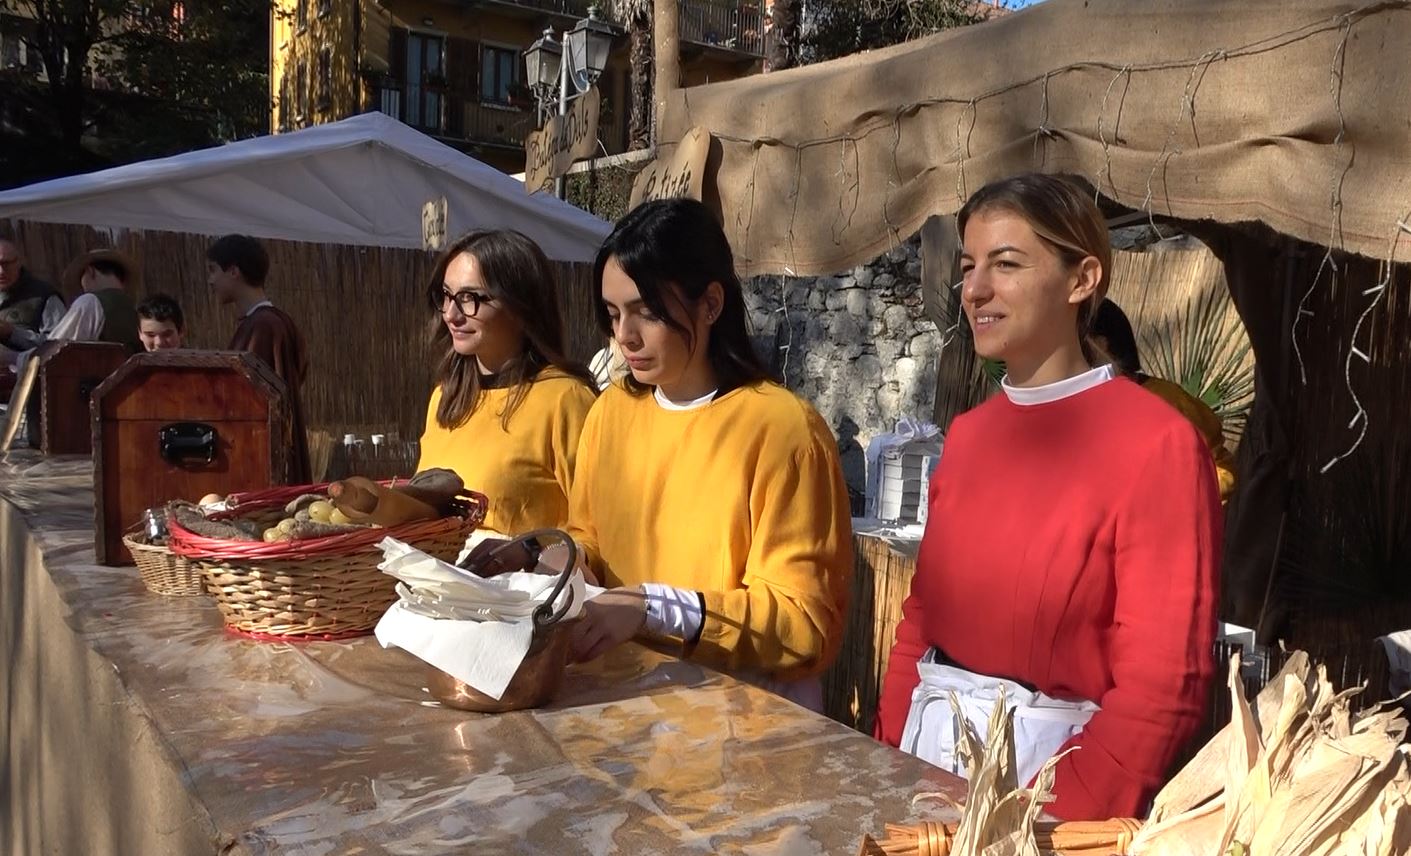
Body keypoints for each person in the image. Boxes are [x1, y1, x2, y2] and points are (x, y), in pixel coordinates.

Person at [875, 174, 1221, 820]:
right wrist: (889, 756)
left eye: (1006, 264)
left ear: (1081, 279)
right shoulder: (968, 436)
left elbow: (1162, 687)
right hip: (920, 773)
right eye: (969, 266)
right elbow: (922, 621)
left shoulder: (1158, 445)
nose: (975, 289)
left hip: (1049, 793)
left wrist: (1049, 821)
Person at [561, 198, 853, 711]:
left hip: (745, 720)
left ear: (711, 304)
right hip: (624, 704)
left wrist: (656, 608)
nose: (624, 336)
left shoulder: (784, 431)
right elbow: (588, 534)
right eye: (613, 314)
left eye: (647, 311)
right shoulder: (610, 413)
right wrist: (566, 561)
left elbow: (803, 625)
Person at [415, 230, 598, 540]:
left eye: (470, 298)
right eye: (446, 295)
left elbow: (598, 529)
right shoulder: (444, 398)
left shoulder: (566, 400)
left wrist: (529, 554)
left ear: (520, 307)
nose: (451, 314)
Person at [1089, 298, 1237, 502]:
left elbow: (1221, 470)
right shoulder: (1083, 410)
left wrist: (1166, 500)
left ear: (1101, 345)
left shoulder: (1166, 400)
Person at [207, 234, 311, 483]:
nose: (211, 280)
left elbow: (249, 400)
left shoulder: (264, 326)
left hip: (263, 457)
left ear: (234, 272)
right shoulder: (273, 322)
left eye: (213, 270)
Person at [46, 248, 142, 353]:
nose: (82, 287)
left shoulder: (90, 302)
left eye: (81, 278)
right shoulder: (133, 307)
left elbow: (53, 348)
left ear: (90, 271)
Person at [0, 236, 66, 380]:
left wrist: (12, 333)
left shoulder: (44, 296)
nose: (1, 271)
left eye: (6, 264)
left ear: (18, 262)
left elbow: (57, 347)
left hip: (25, 384)